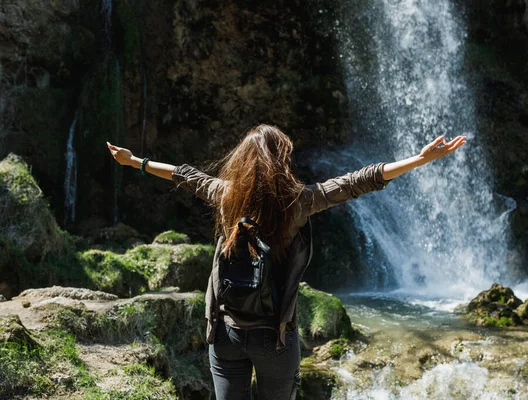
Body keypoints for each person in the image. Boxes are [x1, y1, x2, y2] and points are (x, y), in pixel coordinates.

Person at [107, 124, 466, 400]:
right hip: (276, 337)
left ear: (241, 161)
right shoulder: (299, 203)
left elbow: (183, 175)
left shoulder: (225, 195)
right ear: (281, 161)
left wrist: (134, 161)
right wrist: (420, 160)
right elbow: (360, 181)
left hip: (226, 331)